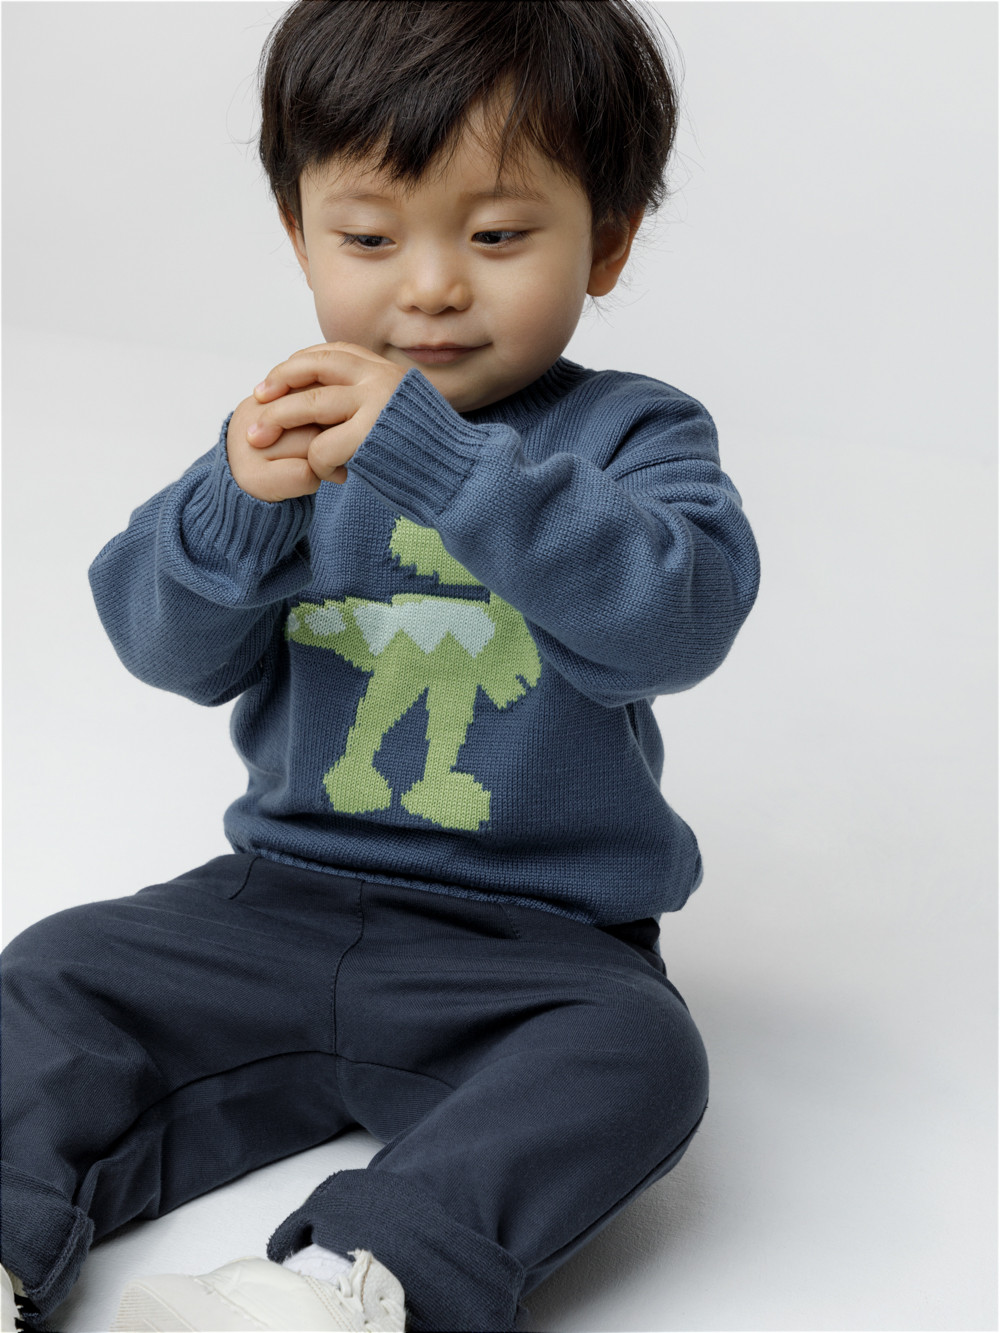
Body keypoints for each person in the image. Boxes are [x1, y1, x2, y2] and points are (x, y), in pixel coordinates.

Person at [0, 2, 760, 1330]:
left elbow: (675, 621)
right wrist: (235, 503)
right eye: (368, 237)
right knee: (57, 970)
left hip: (533, 947)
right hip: (272, 903)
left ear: (609, 239)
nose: (431, 287)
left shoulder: (632, 434)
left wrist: (444, 467)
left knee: (639, 1053)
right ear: (300, 232)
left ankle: (345, 1284)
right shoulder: (288, 431)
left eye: (498, 236)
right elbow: (161, 650)